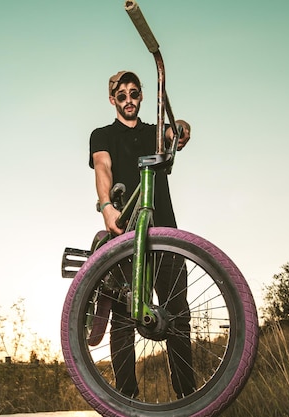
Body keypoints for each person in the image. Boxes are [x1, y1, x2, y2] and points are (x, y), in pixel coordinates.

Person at [88, 70, 196, 398]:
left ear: (141, 96)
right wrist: (107, 205)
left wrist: (181, 129)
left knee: (178, 316)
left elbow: (175, 134)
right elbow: (103, 167)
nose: (129, 100)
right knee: (123, 321)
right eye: (122, 95)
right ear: (112, 100)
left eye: (134, 93)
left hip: (165, 233)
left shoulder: (152, 133)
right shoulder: (102, 134)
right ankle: (127, 400)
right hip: (126, 235)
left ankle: (189, 398)